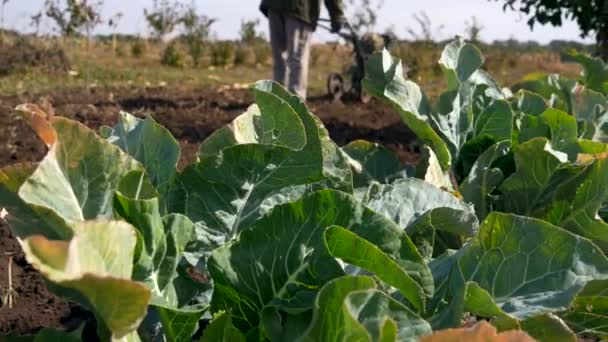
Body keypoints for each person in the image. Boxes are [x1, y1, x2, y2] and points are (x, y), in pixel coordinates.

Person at [259, 0, 345, 99]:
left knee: (280, 59)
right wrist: (337, 15)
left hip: (275, 6)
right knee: (296, 59)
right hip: (299, 7)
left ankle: (278, 101)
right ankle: (295, 105)